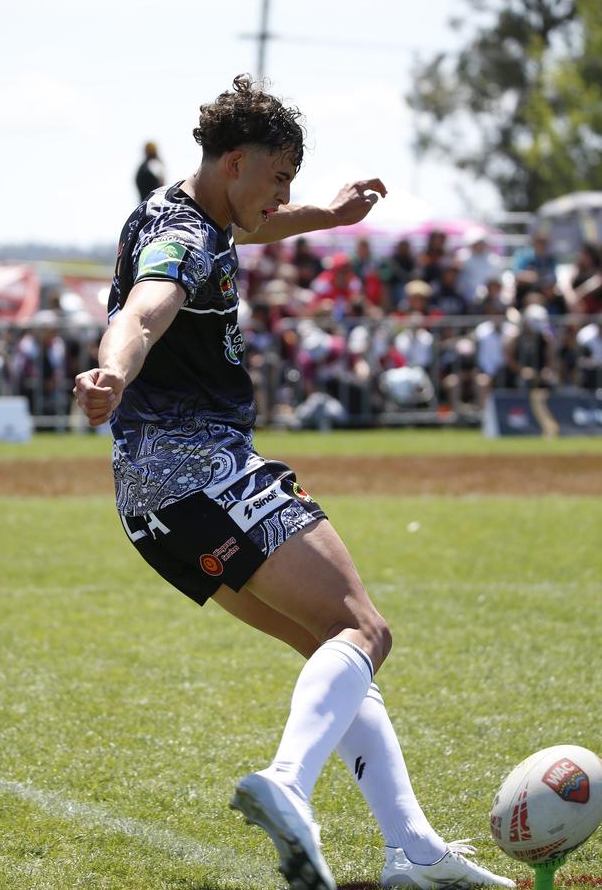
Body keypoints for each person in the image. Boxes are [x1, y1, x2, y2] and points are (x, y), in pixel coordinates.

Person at [73, 76, 514, 890]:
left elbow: (258, 228)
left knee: (332, 649)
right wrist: (111, 372)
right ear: (236, 163)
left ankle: (412, 851)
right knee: (365, 630)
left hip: (149, 501)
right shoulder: (183, 237)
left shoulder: (199, 208)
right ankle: (288, 783)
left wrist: (331, 217)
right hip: (201, 468)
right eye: (279, 179)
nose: (284, 196)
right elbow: (143, 310)